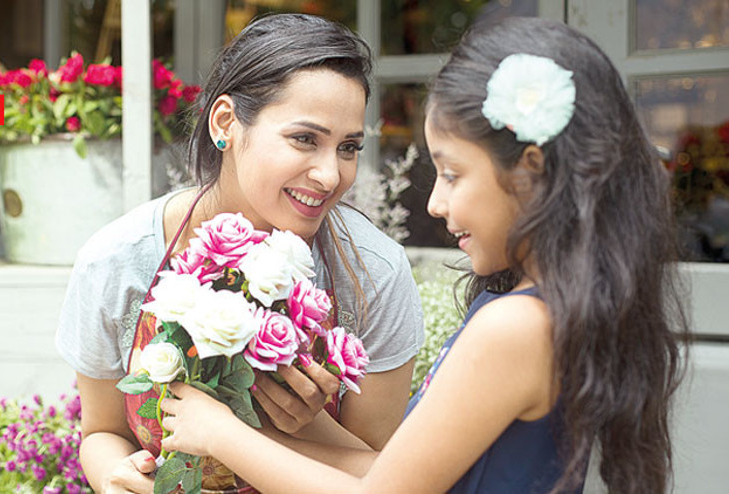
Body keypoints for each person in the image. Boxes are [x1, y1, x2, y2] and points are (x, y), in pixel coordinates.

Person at [159, 16, 690, 493]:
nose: (435, 203)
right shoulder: (543, 310)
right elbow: (394, 471)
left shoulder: (517, 327)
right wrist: (266, 431)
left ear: (531, 171)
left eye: (454, 174)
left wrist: (223, 435)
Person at [55, 13, 424, 493]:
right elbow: (102, 432)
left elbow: (387, 476)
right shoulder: (119, 261)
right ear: (225, 122)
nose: (331, 175)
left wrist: (299, 423)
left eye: (348, 147)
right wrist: (114, 479)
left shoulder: (374, 274)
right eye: (304, 139)